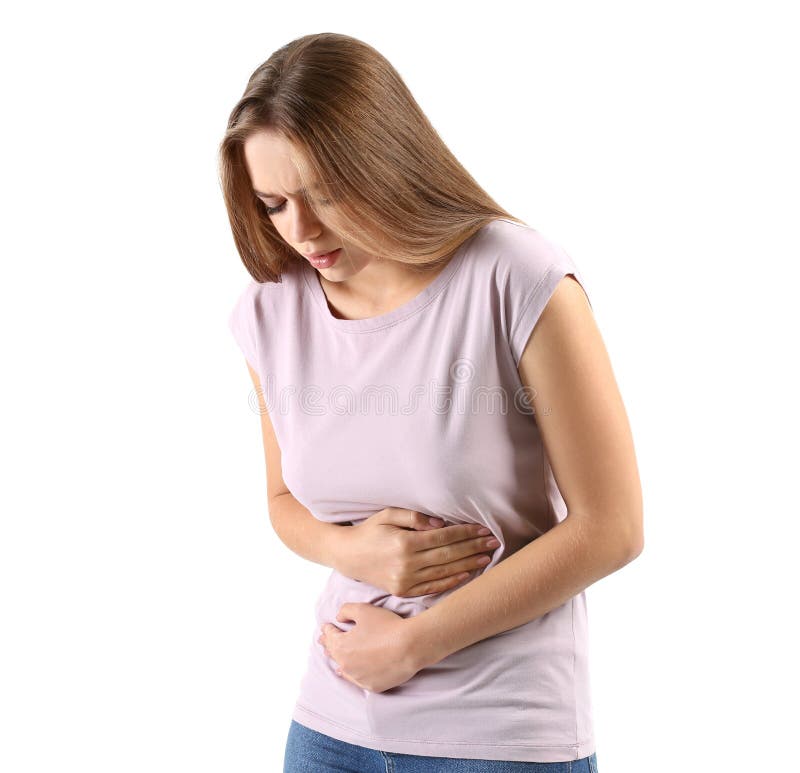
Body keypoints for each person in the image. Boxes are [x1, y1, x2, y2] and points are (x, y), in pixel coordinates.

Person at [221, 32, 641, 773]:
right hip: (331, 724)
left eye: (324, 193)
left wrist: (417, 641)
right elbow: (284, 497)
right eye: (274, 203)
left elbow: (614, 527)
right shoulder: (267, 312)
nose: (301, 230)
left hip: (501, 736)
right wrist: (354, 550)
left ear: (384, 158)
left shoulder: (514, 276)